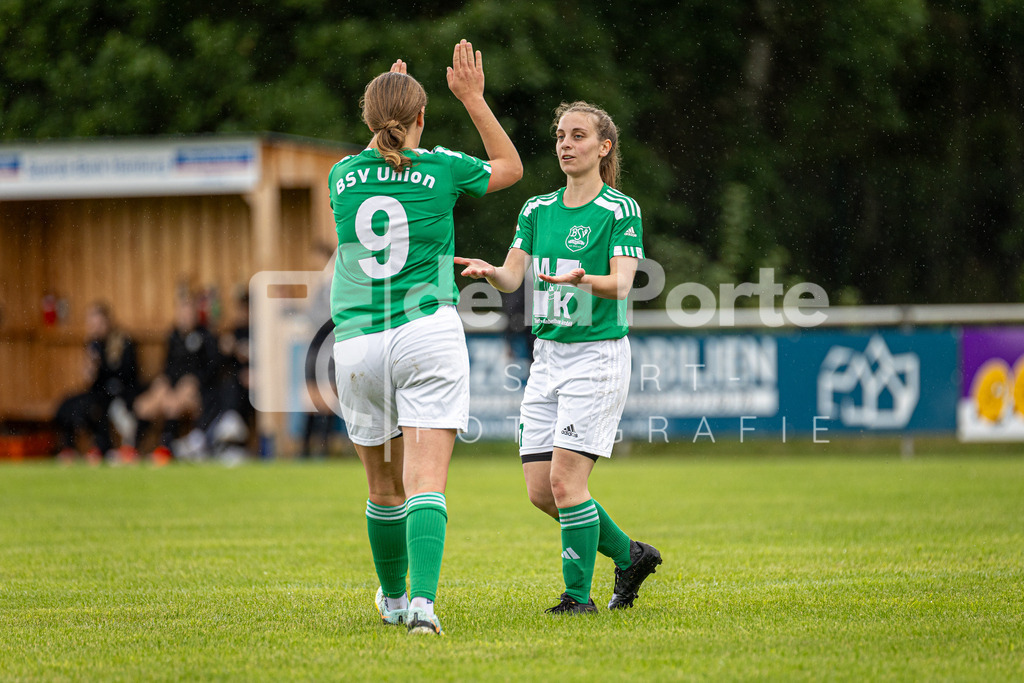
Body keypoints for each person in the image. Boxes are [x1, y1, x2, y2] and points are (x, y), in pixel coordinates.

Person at [329, 41, 522, 635]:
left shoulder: (340, 176)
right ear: (421, 117)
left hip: (358, 341)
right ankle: (422, 607)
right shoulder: (441, 168)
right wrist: (473, 98)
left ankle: (391, 601)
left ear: (367, 119)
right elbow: (510, 167)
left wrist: (392, 99)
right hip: (425, 332)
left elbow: (378, 156)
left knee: (382, 487)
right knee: (425, 484)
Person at [455, 101, 662, 615]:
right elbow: (513, 277)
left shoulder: (619, 209)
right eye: (561, 136)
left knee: (567, 484)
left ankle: (576, 598)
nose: (566, 144)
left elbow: (623, 283)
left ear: (604, 147)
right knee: (542, 492)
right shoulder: (536, 209)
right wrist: (492, 272)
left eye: (578, 136)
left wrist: (583, 279)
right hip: (546, 358)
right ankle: (631, 556)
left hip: (595, 357)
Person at [132, 291, 219, 465]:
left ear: (195, 314)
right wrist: (163, 382)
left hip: (196, 393)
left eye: (189, 312)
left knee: (172, 405)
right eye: (182, 312)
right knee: (143, 405)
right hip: (172, 388)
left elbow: (211, 371)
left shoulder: (206, 337)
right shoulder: (172, 336)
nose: (185, 317)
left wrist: (194, 381)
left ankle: (167, 449)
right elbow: (168, 367)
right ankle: (133, 451)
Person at [54, 302, 139, 464]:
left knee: (95, 407)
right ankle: (68, 448)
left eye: (99, 323)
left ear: (108, 323)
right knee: (66, 406)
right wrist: (90, 364)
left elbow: (127, 375)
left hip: (118, 392)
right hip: (97, 392)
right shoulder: (93, 345)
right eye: (92, 324)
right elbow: (89, 379)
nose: (96, 328)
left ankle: (102, 447)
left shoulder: (123, 342)